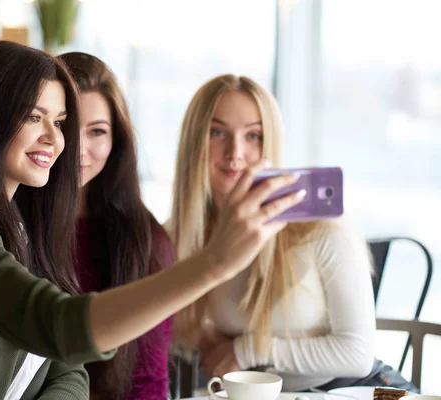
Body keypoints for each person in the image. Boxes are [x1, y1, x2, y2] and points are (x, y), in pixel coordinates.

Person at [0, 42, 304, 399]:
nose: (56, 139)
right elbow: (57, 327)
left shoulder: (18, 229)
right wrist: (213, 264)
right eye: (34, 116)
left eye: (60, 121)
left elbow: (68, 372)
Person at [169, 74, 418, 393]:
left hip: (355, 389)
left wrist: (247, 349)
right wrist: (204, 338)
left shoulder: (322, 229)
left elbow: (356, 354)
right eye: (217, 132)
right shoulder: (179, 237)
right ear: (194, 142)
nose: (236, 152)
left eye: (254, 136)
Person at [57, 51, 174, 400]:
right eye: (65, 125)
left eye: (97, 131)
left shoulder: (145, 238)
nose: (79, 150)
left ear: (116, 141)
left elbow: (148, 382)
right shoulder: (7, 229)